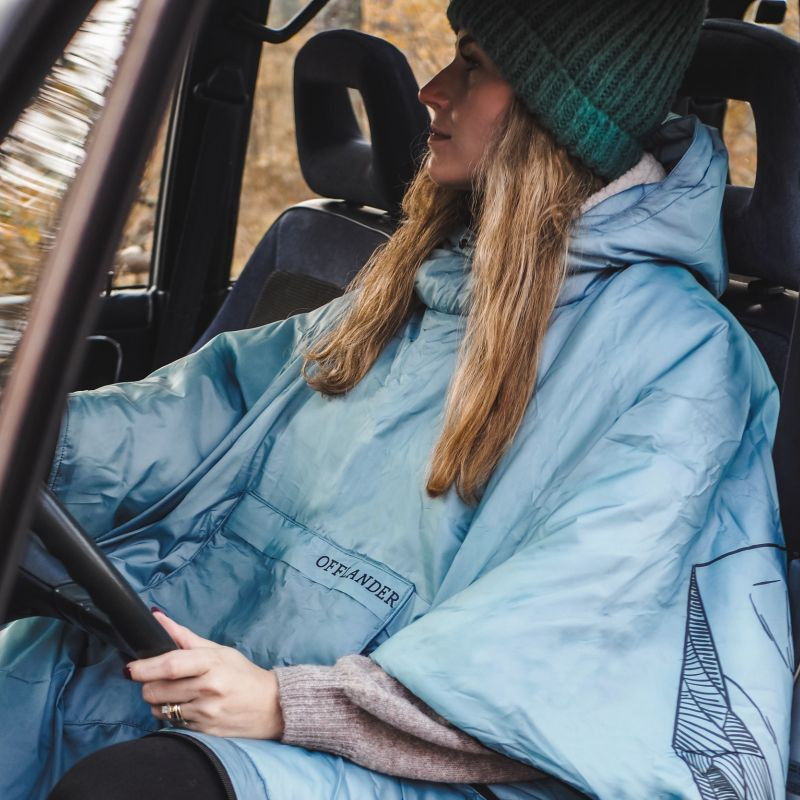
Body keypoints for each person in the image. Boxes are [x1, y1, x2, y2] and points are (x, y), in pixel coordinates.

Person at [0, 0, 791, 798]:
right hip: (231, 667)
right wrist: (34, 434)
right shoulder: (432, 277)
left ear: (559, 113)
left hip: (434, 754)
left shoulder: (684, 358)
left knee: (142, 787)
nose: (431, 90)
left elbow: (576, 638)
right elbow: (202, 411)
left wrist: (287, 704)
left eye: (474, 64)